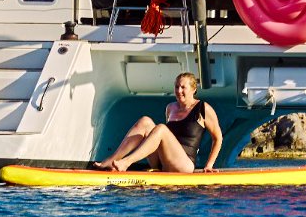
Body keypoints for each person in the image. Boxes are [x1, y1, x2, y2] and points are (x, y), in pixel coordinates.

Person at [94, 71, 222, 173]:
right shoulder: (170, 108)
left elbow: (218, 138)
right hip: (163, 162)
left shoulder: (203, 108)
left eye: (183, 87)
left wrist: (209, 165)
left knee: (161, 128)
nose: (179, 91)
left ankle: (126, 162)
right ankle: (112, 160)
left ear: (194, 89)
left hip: (184, 165)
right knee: (145, 121)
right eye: (176, 87)